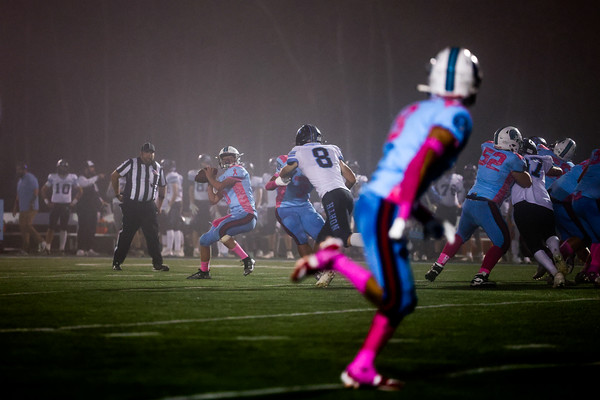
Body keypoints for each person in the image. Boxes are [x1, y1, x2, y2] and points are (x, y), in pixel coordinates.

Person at [291, 46, 482, 389]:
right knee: (344, 248)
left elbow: (290, 170)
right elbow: (366, 175)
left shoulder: (414, 115)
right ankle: (331, 270)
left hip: (361, 196)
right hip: (363, 195)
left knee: (381, 281)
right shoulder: (334, 148)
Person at [426, 126, 532, 287]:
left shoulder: (487, 147)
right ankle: (480, 277)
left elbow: (492, 147)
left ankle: (437, 265)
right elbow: (526, 182)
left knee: (460, 235)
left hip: (470, 201)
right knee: (502, 242)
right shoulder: (515, 159)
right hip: (486, 204)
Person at [280, 124, 362, 287]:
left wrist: (283, 176)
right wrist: (341, 193)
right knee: (321, 242)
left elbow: (285, 171)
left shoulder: (298, 151)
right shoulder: (332, 148)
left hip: (332, 196)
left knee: (343, 237)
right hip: (346, 194)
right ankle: (327, 272)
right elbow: (352, 178)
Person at [187, 146, 256, 279]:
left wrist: (210, 178)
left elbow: (218, 186)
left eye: (230, 157)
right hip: (236, 215)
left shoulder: (238, 170)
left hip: (246, 214)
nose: (227, 160)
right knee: (204, 240)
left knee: (222, 231)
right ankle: (204, 271)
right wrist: (209, 182)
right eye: (224, 158)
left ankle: (247, 259)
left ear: (236, 159)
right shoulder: (224, 176)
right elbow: (213, 199)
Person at [510, 138, 566, 287]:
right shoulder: (543, 159)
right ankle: (555, 252)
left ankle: (556, 273)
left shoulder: (516, 159)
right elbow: (557, 170)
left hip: (523, 204)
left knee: (534, 244)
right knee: (550, 234)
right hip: (544, 203)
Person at [110, 142, 169, 272]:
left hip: (148, 206)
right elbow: (115, 175)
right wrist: (117, 193)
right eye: (147, 152)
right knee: (126, 235)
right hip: (132, 205)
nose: (150, 155)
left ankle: (157, 264)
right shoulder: (131, 163)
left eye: (152, 152)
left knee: (153, 236)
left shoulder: (157, 167)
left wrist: (159, 205)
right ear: (141, 153)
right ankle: (117, 262)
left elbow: (163, 185)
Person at [265, 154, 325, 258]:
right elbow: (268, 186)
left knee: (323, 234)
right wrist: (278, 181)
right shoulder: (281, 172)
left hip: (305, 206)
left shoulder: (307, 170)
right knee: (301, 238)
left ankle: (318, 263)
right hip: (285, 208)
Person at [571, 148, 600, 286]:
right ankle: (593, 272)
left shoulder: (595, 152)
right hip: (589, 200)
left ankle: (585, 271)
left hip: (576, 198)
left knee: (596, 239)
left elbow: (580, 177)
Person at [41, 159, 82, 254]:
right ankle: (47, 248)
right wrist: (47, 201)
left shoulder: (72, 177)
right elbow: (43, 190)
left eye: (64, 167)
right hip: (55, 204)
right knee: (51, 227)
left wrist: (74, 202)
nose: (63, 169)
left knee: (64, 227)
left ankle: (61, 249)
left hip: (66, 205)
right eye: (61, 167)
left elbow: (80, 190)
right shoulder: (52, 177)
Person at [12, 162, 45, 254]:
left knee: (27, 225)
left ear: (24, 170)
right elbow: (18, 195)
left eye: (20, 169)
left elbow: (36, 191)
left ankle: (41, 242)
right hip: (22, 208)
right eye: (17, 169)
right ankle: (25, 248)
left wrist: (31, 202)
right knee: (23, 227)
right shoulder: (20, 181)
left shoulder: (31, 178)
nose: (18, 171)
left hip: (31, 207)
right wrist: (15, 207)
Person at [76, 160, 105, 256]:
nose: (93, 169)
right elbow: (85, 184)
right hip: (83, 208)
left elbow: (96, 193)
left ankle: (89, 249)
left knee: (91, 228)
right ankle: (81, 248)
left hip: (92, 208)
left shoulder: (93, 181)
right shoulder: (81, 178)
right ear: (86, 169)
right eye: (91, 167)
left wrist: (101, 202)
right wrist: (97, 177)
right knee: (83, 227)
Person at [188, 154, 214, 257]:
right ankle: (195, 249)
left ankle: (205, 247)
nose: (205, 164)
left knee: (208, 227)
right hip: (198, 202)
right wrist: (192, 203)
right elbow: (191, 189)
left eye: (207, 163)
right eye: (203, 162)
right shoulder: (193, 173)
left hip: (207, 202)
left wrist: (213, 203)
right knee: (195, 227)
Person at [159, 159, 184, 257]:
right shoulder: (178, 176)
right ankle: (177, 249)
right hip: (177, 202)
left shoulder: (171, 176)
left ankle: (170, 249)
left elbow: (175, 192)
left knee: (170, 226)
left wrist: (169, 205)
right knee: (176, 227)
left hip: (172, 202)